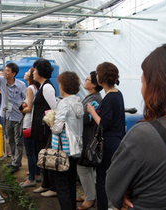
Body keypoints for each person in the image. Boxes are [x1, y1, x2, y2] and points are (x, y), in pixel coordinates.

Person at [106, 44, 166, 210]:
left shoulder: (144, 134)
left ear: (156, 87)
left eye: (143, 82)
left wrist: (128, 189)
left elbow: (113, 188)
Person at [87, 62, 125, 210]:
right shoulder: (117, 94)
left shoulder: (109, 98)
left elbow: (104, 124)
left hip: (108, 144)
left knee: (102, 179)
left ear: (101, 78)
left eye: (97, 73)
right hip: (116, 142)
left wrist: (92, 111)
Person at [50, 71, 84, 210]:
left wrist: (50, 123)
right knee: (71, 183)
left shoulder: (64, 103)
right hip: (74, 149)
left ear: (63, 86)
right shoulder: (78, 101)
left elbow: (57, 128)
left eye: (60, 84)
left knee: (61, 186)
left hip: (62, 151)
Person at [76, 71, 103, 210]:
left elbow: (86, 118)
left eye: (87, 79)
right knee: (87, 168)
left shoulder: (95, 99)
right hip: (86, 136)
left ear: (94, 84)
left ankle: (90, 198)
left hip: (89, 136)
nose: (84, 81)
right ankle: (89, 194)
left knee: (84, 167)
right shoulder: (91, 96)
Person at [31, 58, 57, 197]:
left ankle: (53, 187)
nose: (33, 72)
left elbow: (55, 108)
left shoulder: (47, 87)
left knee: (47, 157)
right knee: (42, 157)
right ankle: (46, 184)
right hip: (39, 128)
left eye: (35, 70)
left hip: (44, 129)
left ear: (40, 72)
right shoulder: (42, 86)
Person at [19, 67, 41, 188]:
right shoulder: (36, 87)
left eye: (28, 72)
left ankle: (31, 178)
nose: (25, 73)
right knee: (35, 150)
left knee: (30, 152)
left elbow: (29, 109)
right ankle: (36, 173)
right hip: (34, 123)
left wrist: (21, 109)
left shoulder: (30, 88)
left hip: (28, 123)